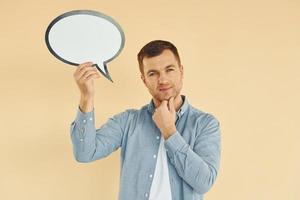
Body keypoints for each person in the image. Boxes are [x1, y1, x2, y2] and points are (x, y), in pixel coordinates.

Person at [70, 40, 221, 200]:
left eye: (169, 70)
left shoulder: (205, 124)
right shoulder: (128, 121)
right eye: (153, 73)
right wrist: (87, 97)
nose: (162, 79)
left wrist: (169, 131)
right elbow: (84, 153)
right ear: (144, 80)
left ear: (181, 71)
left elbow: (204, 182)